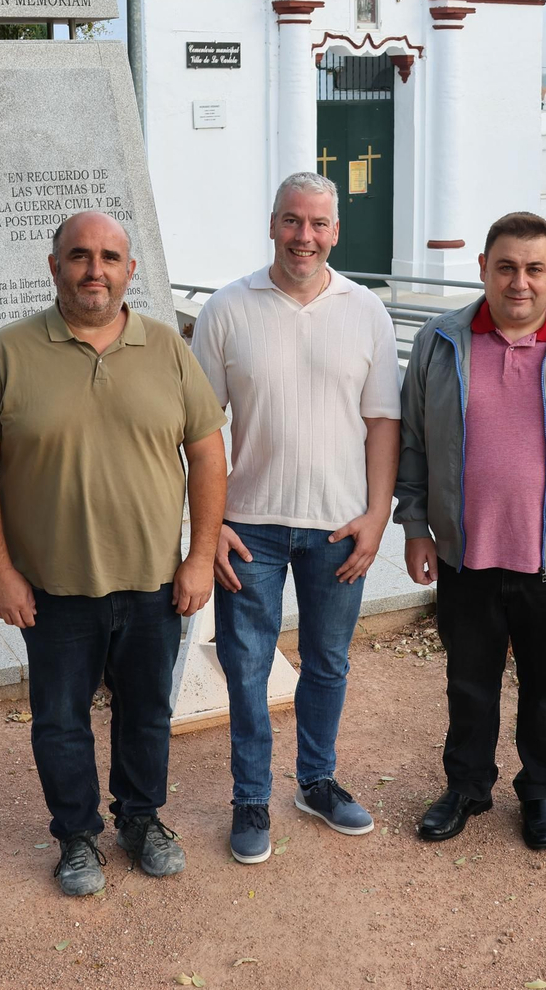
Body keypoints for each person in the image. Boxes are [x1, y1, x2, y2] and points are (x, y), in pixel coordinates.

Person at [0, 210, 227, 897]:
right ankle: (76, 834)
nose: (93, 269)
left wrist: (199, 557)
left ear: (131, 271)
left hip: (153, 584)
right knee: (61, 720)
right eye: (79, 256)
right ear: (55, 267)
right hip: (52, 589)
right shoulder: (9, 353)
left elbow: (208, 456)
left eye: (109, 257)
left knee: (147, 712)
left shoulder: (167, 349)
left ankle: (141, 818)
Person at [396, 211, 546, 849]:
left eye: (535, 269)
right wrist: (417, 523)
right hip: (465, 554)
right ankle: (467, 787)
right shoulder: (440, 341)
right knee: (468, 682)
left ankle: (539, 793)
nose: (520, 282)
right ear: (483, 268)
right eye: (505, 267)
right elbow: (416, 441)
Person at [190, 171, 401, 864]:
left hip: (338, 528)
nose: (303, 237)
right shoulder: (228, 309)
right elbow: (199, 428)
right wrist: (209, 523)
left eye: (317, 224)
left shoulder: (366, 310)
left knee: (329, 662)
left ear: (335, 231)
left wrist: (377, 515)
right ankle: (251, 797)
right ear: (272, 224)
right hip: (247, 527)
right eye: (291, 221)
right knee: (248, 667)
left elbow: (382, 423)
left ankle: (316, 781)